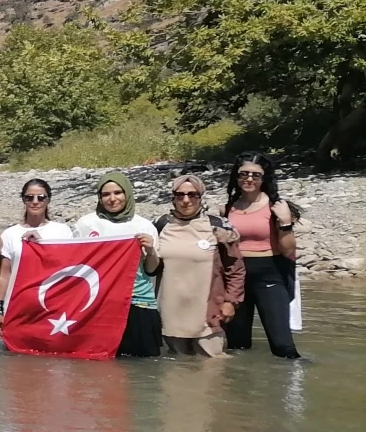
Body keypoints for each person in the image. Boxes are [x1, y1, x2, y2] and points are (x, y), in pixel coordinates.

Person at [223, 152, 303, 358]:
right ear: (236, 176)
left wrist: (285, 222)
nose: (249, 179)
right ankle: (240, 387)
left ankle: (292, 387)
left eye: (255, 175)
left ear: (264, 178)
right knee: (237, 346)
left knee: (282, 346)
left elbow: (289, 250)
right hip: (236, 277)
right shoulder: (228, 208)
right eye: (243, 174)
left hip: (270, 276)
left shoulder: (277, 207)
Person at [74, 171, 163, 357]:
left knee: (143, 369)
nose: (112, 199)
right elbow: (71, 260)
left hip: (138, 304)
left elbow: (151, 269)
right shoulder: (86, 224)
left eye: (118, 193)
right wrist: (38, 243)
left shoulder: (144, 226)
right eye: (105, 194)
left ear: (128, 194)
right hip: (98, 305)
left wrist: (151, 250)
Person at [154, 172, 243, 357]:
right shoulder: (161, 225)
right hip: (171, 312)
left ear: (201, 197)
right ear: (173, 199)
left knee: (212, 367)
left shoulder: (218, 226)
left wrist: (231, 302)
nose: (186, 200)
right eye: (180, 195)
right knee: (175, 370)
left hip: (207, 312)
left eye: (192, 195)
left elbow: (235, 268)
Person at [0, 178, 74, 332]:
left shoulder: (62, 231)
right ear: (23, 200)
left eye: (41, 197)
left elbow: (66, 270)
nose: (35, 202)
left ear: (48, 200)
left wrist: (41, 245)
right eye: (29, 197)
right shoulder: (10, 234)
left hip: (52, 307)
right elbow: (4, 275)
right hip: (18, 306)